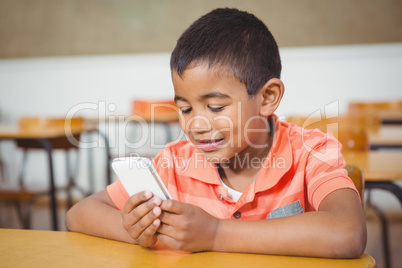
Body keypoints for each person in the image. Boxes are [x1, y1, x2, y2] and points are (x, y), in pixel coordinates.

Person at [66, 8, 366, 258]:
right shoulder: (175, 162)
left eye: (215, 107)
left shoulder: (311, 150)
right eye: (185, 110)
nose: (196, 125)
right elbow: (79, 213)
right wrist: (138, 231)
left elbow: (347, 233)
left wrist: (215, 233)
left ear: (267, 97)